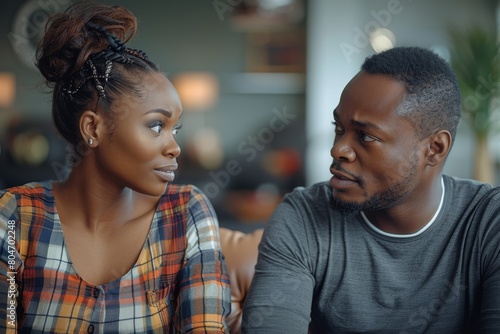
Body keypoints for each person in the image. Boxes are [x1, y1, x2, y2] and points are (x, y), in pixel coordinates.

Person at [0, 2, 230, 333]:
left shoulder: (186, 213)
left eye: (175, 129)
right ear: (93, 129)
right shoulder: (15, 216)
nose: (174, 146)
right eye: (155, 126)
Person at [242, 46, 500, 333]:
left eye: (365, 136)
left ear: (434, 149)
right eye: (339, 128)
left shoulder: (489, 222)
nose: (337, 149)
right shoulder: (303, 216)